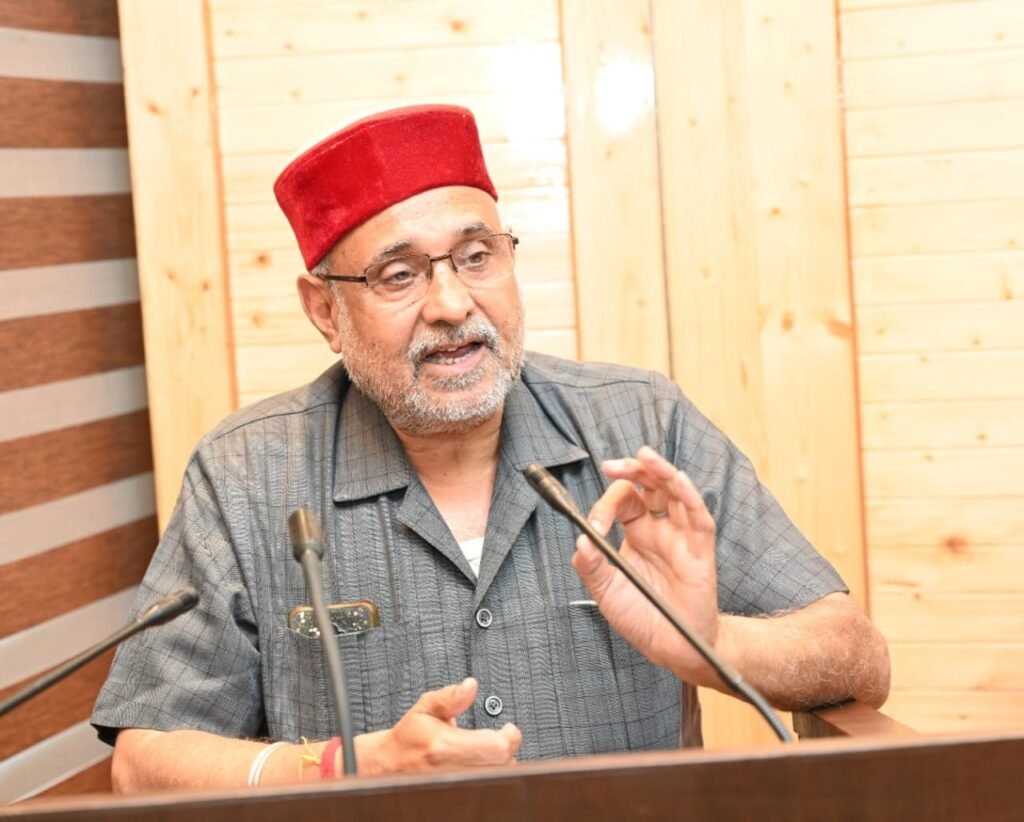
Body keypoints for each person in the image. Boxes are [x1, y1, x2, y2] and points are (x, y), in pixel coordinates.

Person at [93, 104, 890, 791]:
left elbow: (858, 656)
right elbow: (144, 758)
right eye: (399, 275)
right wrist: (345, 764)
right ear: (325, 312)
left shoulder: (640, 426)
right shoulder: (247, 473)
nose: (452, 303)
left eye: (477, 258)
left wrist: (710, 640)